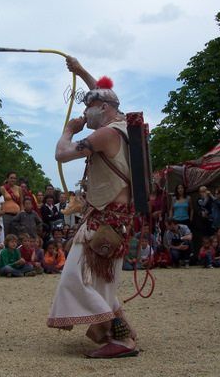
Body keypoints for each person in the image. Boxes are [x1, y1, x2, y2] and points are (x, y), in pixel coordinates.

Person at [47, 57, 138, 359]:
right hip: (114, 219)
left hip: (105, 220)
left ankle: (121, 340)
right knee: (100, 284)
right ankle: (121, 335)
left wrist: (69, 130)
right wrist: (82, 72)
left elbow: (61, 154)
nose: (84, 112)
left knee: (77, 277)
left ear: (104, 109)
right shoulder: (122, 127)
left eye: (88, 108)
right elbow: (100, 93)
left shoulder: (105, 134)